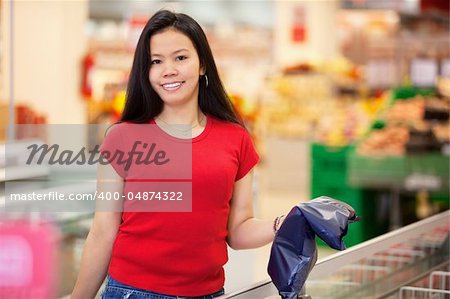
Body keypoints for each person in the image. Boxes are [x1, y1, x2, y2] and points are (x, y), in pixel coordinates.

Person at [71, 10, 284, 299]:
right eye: (156, 61)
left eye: (180, 58)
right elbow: (102, 232)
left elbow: (238, 230)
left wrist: (283, 223)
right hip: (133, 292)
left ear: (202, 65)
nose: (168, 69)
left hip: (207, 293)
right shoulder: (122, 138)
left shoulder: (236, 139)